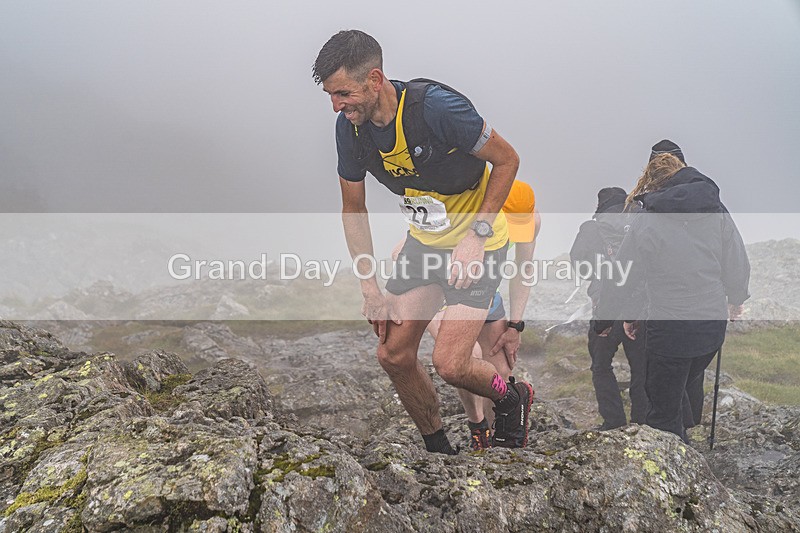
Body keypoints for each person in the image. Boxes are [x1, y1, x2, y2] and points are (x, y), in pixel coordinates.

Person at [313, 30, 533, 454]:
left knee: (450, 364)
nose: (337, 106)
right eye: (331, 95)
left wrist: (477, 236)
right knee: (392, 354)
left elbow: (508, 160)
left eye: (343, 93)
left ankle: (512, 397)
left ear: (375, 79)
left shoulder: (437, 109)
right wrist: (369, 288)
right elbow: (353, 208)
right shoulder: (350, 130)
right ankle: (437, 448)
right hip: (426, 244)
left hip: (478, 243)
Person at [594, 150, 750, 442]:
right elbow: (736, 259)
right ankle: (687, 447)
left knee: (662, 413)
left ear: (653, 183)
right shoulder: (716, 209)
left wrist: (605, 320)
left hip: (669, 330)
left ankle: (679, 463)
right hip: (712, 327)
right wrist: (736, 298)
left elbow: (623, 276)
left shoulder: (647, 219)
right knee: (680, 388)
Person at [421, 180, 541, 449]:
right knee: (465, 358)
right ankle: (478, 427)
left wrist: (515, 326)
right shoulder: (460, 209)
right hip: (443, 289)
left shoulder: (529, 216)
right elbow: (401, 252)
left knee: (502, 368)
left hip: (485, 290)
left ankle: (502, 440)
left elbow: (523, 268)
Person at [570, 187, 647, 430]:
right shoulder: (642, 224)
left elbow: (579, 265)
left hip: (605, 308)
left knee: (601, 366)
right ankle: (642, 423)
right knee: (642, 368)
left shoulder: (590, 229)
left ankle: (613, 422)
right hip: (639, 308)